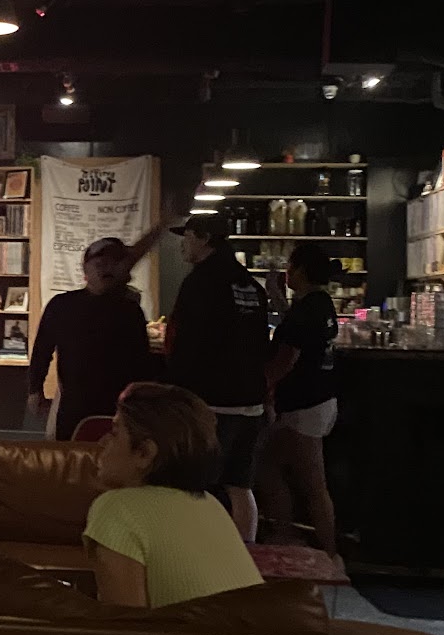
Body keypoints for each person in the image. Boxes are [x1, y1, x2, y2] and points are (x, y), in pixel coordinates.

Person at [82, 382, 265, 609]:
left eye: (114, 433)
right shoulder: (210, 504)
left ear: (144, 453)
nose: (102, 442)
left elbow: (126, 623)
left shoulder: (116, 509)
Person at [165, 213, 271, 542]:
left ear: (204, 238)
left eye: (187, 237)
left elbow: (185, 341)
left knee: (197, 483)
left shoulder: (200, 282)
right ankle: (245, 552)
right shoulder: (249, 284)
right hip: (250, 400)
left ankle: (199, 551)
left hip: (210, 400)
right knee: (240, 485)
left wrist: (177, 392)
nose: (182, 245)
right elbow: (260, 343)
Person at [28, 225, 165, 439]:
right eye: (100, 263)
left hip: (119, 408)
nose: (106, 269)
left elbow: (141, 360)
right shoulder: (62, 305)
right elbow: (42, 350)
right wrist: (35, 390)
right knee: (73, 455)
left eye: (113, 264)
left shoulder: (130, 310)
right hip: (75, 406)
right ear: (85, 269)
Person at [256, 242, 341, 555]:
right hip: (321, 400)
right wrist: (276, 296)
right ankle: (297, 539)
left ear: (301, 270)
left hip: (304, 405)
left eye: (290, 268)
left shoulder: (307, 310)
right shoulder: (321, 303)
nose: (287, 273)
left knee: (299, 478)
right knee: (284, 470)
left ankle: (309, 545)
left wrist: (261, 386)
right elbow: (295, 326)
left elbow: (286, 359)